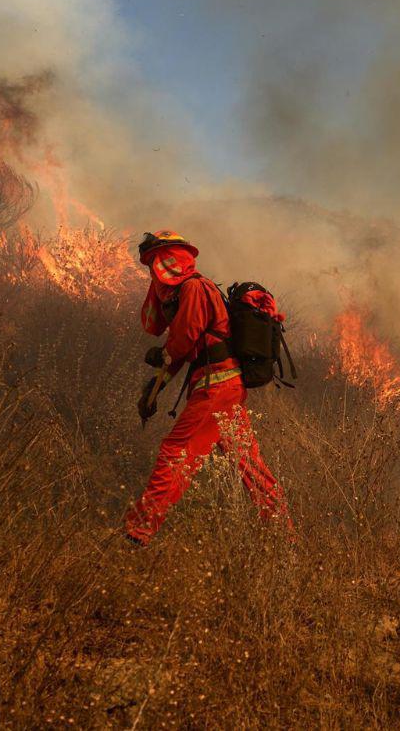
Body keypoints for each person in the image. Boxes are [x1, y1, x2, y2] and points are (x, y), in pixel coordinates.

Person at [124, 230, 289, 544]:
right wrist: (154, 389)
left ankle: (140, 529)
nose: (154, 270)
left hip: (216, 387)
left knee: (176, 451)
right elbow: (182, 348)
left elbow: (183, 341)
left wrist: (162, 357)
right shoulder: (189, 290)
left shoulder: (195, 288)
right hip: (225, 387)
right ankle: (284, 537)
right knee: (250, 465)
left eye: (155, 261)